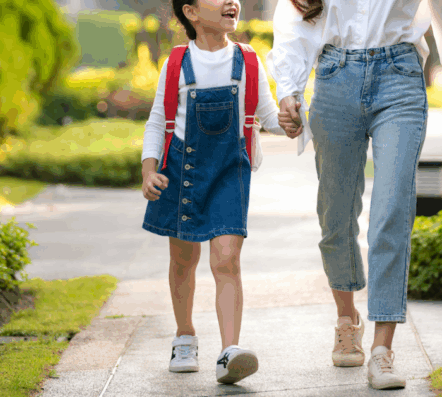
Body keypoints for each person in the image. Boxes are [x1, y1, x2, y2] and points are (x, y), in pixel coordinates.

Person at [267, 0, 442, 390]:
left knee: (392, 210)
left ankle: (382, 350)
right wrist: (288, 87)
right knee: (335, 215)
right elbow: (294, 15)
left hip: (400, 78)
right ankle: (346, 320)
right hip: (334, 76)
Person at [140, 0, 295, 384]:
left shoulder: (248, 61)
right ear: (191, 12)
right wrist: (148, 170)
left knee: (227, 259)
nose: (232, 1)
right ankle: (185, 336)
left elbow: (268, 114)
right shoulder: (177, 62)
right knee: (183, 259)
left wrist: (289, 124)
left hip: (229, 173)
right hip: (181, 171)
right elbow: (157, 120)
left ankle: (229, 351)